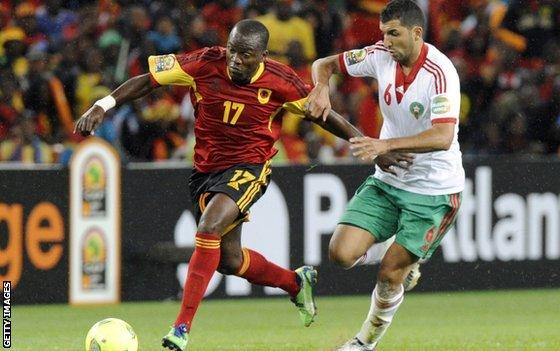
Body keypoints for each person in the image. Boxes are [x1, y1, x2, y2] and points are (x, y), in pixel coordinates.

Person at [75, 19, 392, 351]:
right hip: (205, 172)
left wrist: (366, 144)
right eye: (232, 51)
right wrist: (102, 106)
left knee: (209, 225)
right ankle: (295, 283)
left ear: (263, 56)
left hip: (249, 168)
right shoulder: (204, 63)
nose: (236, 60)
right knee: (228, 259)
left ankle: (181, 328)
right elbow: (148, 80)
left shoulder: (281, 81)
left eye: (246, 55)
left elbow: (322, 114)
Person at [306, 1, 465, 350]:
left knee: (390, 273)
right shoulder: (380, 55)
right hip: (391, 179)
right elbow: (324, 64)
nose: (386, 41)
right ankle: (409, 261)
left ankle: (364, 342)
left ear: (416, 33)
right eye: (383, 34)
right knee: (341, 254)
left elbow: (442, 136)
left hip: (434, 189)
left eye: (394, 34)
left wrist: (383, 144)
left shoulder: (440, 73)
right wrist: (321, 87)